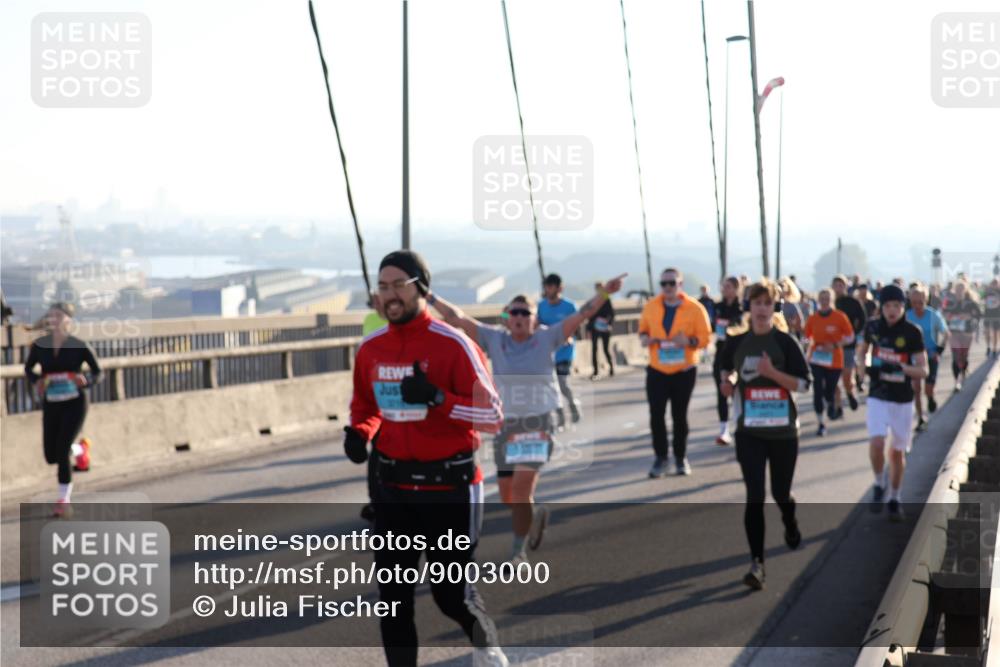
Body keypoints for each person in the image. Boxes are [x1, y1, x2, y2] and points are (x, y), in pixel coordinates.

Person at [345, 250, 509, 667]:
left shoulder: (454, 344)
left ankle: (486, 644)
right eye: (382, 287)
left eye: (399, 284)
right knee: (393, 598)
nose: (390, 295)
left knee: (449, 594)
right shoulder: (370, 348)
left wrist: (437, 398)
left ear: (421, 288)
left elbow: (492, 416)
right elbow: (365, 406)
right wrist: (360, 433)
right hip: (393, 490)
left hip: (450, 489)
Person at [432, 276, 625, 563]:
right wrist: (427, 296)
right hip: (505, 424)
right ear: (507, 319)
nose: (519, 317)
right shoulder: (494, 338)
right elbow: (456, 318)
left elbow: (583, 313)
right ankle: (534, 515)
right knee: (509, 495)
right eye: (514, 313)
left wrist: (604, 295)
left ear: (535, 320)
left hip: (538, 423)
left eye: (525, 313)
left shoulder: (547, 337)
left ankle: (517, 551)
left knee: (522, 488)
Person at [718, 279, 810, 590]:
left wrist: (772, 374)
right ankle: (757, 563)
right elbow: (723, 371)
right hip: (750, 433)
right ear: (748, 307)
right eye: (756, 303)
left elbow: (804, 384)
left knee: (780, 493)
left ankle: (790, 520)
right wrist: (727, 382)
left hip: (784, 433)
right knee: (755, 496)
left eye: (767, 303)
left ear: (775, 308)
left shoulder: (785, 343)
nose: (761, 309)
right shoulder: (736, 342)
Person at [23, 302, 102, 518]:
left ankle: (63, 501)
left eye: (58, 315)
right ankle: (80, 451)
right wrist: (37, 380)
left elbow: (98, 372)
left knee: (61, 447)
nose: (53, 319)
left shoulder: (79, 345)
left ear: (68, 320)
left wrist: (85, 379)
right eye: (51, 316)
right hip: (52, 402)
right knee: (51, 455)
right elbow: (28, 368)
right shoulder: (40, 346)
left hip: (75, 403)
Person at [859, 284, 928, 521]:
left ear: (903, 306)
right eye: (887, 305)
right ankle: (879, 483)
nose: (892, 310)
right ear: (881, 306)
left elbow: (923, 370)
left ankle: (895, 498)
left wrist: (902, 368)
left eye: (897, 306)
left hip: (902, 399)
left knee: (897, 453)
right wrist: (862, 370)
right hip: (878, 394)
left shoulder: (912, 332)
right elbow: (862, 351)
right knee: (877, 442)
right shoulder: (873, 327)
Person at [639, 268, 712, 477]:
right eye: (664, 284)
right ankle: (661, 458)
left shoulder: (695, 308)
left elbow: (705, 338)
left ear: (680, 284)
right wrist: (645, 338)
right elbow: (643, 329)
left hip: (684, 369)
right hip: (657, 368)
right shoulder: (651, 306)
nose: (668, 287)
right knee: (656, 415)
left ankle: (681, 457)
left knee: (679, 415)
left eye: (672, 283)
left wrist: (688, 341)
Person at [355, 291, 389, 523]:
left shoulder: (396, 321)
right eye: (375, 301)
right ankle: (376, 502)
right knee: (376, 454)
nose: (378, 305)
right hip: (376, 393)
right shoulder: (369, 321)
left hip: (397, 394)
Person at [803, 289, 855, 437]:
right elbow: (806, 337)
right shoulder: (813, 318)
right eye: (822, 298)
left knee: (829, 390)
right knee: (817, 390)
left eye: (827, 298)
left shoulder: (840, 317)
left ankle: (831, 403)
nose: (824, 301)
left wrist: (835, 345)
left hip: (835, 360)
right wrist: (809, 345)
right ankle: (821, 423)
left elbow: (850, 337)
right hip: (817, 359)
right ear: (818, 300)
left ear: (831, 300)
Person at [538, 274, 581, 429]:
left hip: (565, 351)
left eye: (551, 287)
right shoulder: (541, 306)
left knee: (562, 383)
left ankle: (572, 404)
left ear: (559, 288)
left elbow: (576, 325)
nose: (548, 290)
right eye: (546, 287)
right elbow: (537, 324)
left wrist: (569, 336)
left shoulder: (569, 306)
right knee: (551, 386)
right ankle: (560, 415)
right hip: (548, 352)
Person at [906, 283, 949, 432]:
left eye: (921, 302)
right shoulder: (907, 316)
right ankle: (920, 418)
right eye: (914, 302)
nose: (917, 305)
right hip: (913, 357)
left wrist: (939, 349)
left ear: (926, 300)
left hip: (931, 355)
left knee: (927, 389)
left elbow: (946, 334)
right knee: (916, 389)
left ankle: (930, 398)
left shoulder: (933, 315)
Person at [712, 276, 743, 445]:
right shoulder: (717, 307)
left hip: (739, 353)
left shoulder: (743, 307)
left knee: (739, 391)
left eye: (729, 286)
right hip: (721, 353)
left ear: (737, 288)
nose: (725, 289)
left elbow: (778, 311)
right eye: (723, 286)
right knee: (721, 390)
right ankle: (724, 430)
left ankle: (740, 426)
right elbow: (711, 326)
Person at [832, 274, 866, 412]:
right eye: (836, 285)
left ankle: (850, 393)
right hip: (831, 346)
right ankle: (837, 405)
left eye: (841, 285)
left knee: (847, 376)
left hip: (848, 345)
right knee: (833, 378)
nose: (839, 288)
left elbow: (862, 319)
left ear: (845, 286)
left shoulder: (853, 302)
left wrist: (853, 334)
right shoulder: (829, 302)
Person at [942, 280, 982, 392]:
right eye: (958, 289)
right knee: (956, 355)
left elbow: (978, 315)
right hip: (954, 332)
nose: (959, 292)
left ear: (965, 290)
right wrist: (950, 316)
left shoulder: (970, 302)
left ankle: (963, 371)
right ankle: (956, 382)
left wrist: (968, 316)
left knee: (964, 356)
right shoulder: (949, 301)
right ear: (955, 290)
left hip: (967, 332)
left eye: (961, 289)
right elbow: (943, 313)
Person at [586, 282, 615, 379]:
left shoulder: (606, 298)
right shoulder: (594, 300)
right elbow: (589, 315)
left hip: (604, 327)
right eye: (597, 288)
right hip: (595, 327)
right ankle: (595, 371)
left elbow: (611, 313)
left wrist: (609, 324)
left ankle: (611, 367)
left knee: (605, 349)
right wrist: (588, 330)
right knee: (594, 349)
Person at [983, 278, 1000, 358]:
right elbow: (982, 299)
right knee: (987, 332)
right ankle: (988, 346)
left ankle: (994, 349)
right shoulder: (987, 292)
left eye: (996, 283)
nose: (994, 285)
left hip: (997, 315)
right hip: (988, 314)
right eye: (993, 283)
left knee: (996, 333)